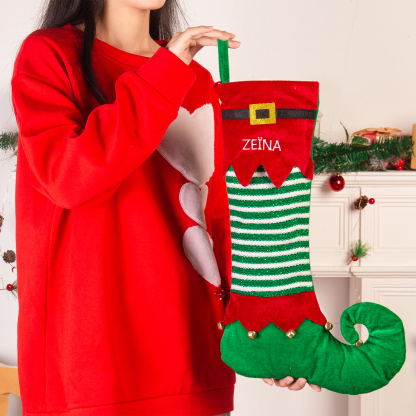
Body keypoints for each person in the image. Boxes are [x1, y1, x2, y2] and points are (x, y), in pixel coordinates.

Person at [11, 1, 320, 415]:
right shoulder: (48, 55)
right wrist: (164, 74)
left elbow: (221, 220)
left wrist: (265, 328)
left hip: (194, 367)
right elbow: (69, 179)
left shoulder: (195, 79)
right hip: (89, 376)